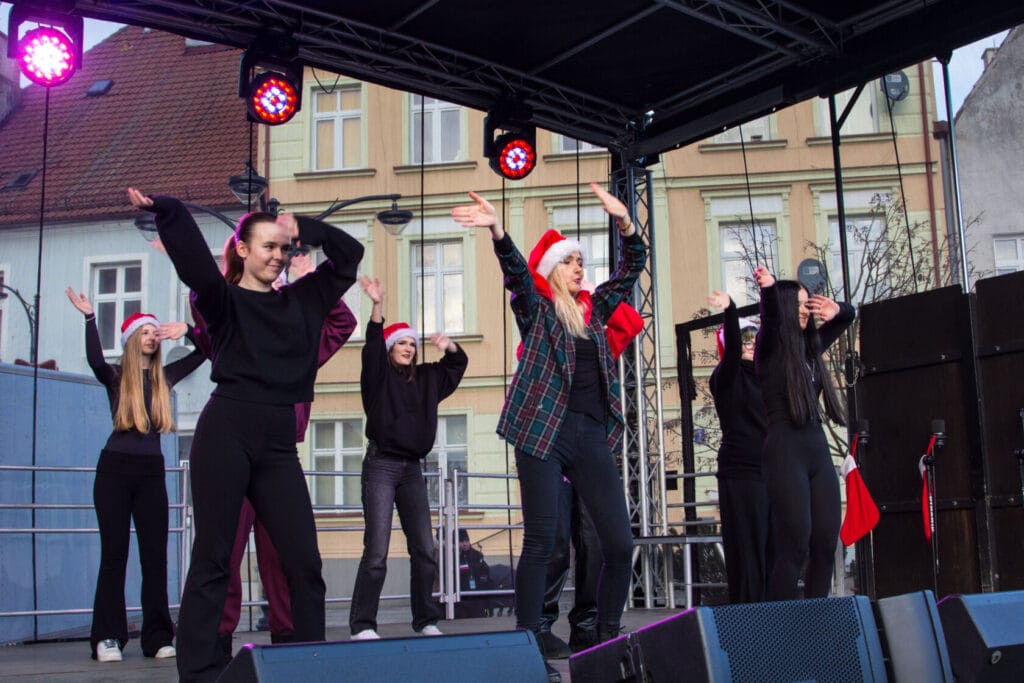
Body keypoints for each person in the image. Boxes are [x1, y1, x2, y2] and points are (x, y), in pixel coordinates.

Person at [127, 187, 363, 682]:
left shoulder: (305, 299)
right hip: (226, 431)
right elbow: (194, 265)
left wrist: (307, 229)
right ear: (242, 249)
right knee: (214, 557)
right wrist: (168, 209)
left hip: (278, 443)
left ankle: (308, 666)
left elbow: (350, 255)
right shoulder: (224, 302)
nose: (278, 256)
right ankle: (201, 672)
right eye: (267, 246)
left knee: (304, 562)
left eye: (283, 248)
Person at [451, 183, 645, 664]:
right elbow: (517, 274)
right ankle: (528, 647)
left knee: (620, 543)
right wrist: (498, 230)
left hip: (590, 435)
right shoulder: (537, 313)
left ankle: (606, 638)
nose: (579, 267)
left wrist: (625, 222)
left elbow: (631, 268)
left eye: (581, 261)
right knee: (541, 541)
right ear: (552, 270)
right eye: (569, 261)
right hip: (543, 432)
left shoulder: (595, 313)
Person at [180, 242, 357, 658]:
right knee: (222, 553)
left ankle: (292, 645)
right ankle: (214, 646)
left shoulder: (299, 337)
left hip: (278, 456)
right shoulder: (233, 319)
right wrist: (232, 271)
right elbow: (204, 306)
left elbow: (342, 322)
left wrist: (306, 280)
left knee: (287, 559)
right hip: (234, 447)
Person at [65, 289, 205, 663]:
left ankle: (157, 637)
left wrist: (188, 329)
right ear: (130, 340)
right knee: (115, 555)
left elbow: (205, 353)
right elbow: (95, 359)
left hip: (151, 474)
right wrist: (90, 317)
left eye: (154, 332)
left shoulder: (165, 377)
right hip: (114, 471)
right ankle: (107, 637)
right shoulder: (115, 376)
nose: (151, 336)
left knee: (155, 557)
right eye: (144, 332)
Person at [348, 275, 468, 640]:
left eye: (412, 343)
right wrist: (377, 307)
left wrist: (448, 346)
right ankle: (363, 625)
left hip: (413, 469)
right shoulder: (378, 376)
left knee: (425, 549)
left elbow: (457, 365)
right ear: (390, 347)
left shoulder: (428, 378)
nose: (408, 348)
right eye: (401, 342)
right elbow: (371, 347)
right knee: (377, 551)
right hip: (381, 465)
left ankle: (426, 620)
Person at [752, 266, 855, 600]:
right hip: (785, 451)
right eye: (796, 304)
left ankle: (816, 619)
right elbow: (769, 320)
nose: (804, 310)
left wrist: (838, 309)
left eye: (806, 303)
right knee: (795, 544)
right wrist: (769, 291)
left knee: (825, 541)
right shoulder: (769, 349)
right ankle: (777, 624)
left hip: (816, 450)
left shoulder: (811, 349)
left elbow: (847, 317)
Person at [706, 290, 771, 604]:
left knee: (772, 550)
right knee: (747, 551)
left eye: (754, 338)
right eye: (744, 339)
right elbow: (732, 349)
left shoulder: (768, 378)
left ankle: (773, 614)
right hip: (741, 473)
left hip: (772, 471)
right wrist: (730, 310)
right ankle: (748, 616)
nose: (750, 343)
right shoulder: (726, 376)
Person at [536, 479, 600, 659]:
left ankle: (585, 626)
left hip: (588, 466)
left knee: (593, 542)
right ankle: (540, 626)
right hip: (552, 466)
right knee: (556, 540)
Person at [454, 528, 491, 619]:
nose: (465, 544)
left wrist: (482, 582)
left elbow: (485, 572)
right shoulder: (453, 556)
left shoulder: (477, 555)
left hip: (476, 597)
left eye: (467, 541)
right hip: (460, 598)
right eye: (461, 541)